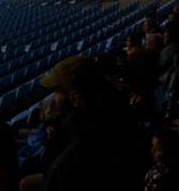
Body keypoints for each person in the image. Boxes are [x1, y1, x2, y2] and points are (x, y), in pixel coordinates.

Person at [38, 55, 145, 191]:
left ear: (75, 97)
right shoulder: (120, 110)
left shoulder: (78, 145)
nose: (53, 98)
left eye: (57, 92)